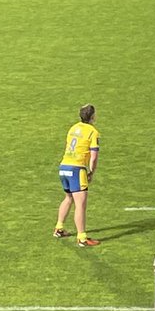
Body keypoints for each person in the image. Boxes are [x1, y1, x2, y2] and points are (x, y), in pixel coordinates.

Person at [54, 104, 100, 247]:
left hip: (64, 166)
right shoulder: (93, 132)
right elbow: (93, 156)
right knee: (80, 204)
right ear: (93, 116)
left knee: (68, 198)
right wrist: (91, 172)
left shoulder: (73, 128)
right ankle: (82, 238)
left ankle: (59, 228)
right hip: (76, 169)